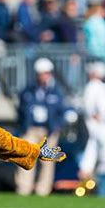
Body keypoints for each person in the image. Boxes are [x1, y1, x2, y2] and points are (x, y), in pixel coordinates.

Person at [15, 58, 67, 196]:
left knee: (47, 161)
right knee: (26, 157)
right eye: (40, 73)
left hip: (48, 130)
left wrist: (56, 127)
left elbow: (62, 112)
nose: (43, 76)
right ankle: (23, 188)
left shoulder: (56, 91)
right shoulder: (28, 90)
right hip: (31, 128)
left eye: (45, 73)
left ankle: (43, 190)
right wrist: (23, 126)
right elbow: (20, 110)